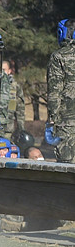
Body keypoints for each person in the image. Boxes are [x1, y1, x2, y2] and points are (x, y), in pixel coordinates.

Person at [47, 18, 75, 163]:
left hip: (67, 122)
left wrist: (52, 120)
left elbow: (54, 92)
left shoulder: (59, 56)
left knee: (67, 166)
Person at [0, 60, 26, 137]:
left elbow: (20, 108)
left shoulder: (15, 86)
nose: (2, 72)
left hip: (8, 128)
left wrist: (21, 128)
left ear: (9, 71)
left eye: (4, 70)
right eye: (0, 70)